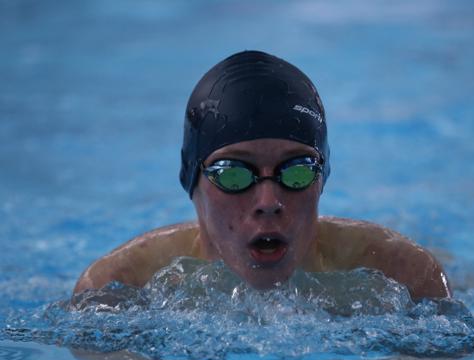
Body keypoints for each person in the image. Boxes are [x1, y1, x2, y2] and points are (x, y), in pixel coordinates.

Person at [73, 50, 451, 301]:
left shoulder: (403, 276)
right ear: (192, 181)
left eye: (297, 171)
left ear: (322, 178)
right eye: (234, 174)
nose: (269, 202)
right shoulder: (121, 285)